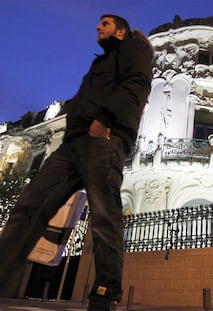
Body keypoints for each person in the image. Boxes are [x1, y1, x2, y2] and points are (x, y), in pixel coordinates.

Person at [0, 14, 153, 311]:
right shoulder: (101, 62)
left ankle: (105, 293)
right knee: (28, 207)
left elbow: (136, 85)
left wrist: (106, 120)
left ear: (120, 31)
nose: (98, 27)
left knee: (104, 217)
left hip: (104, 138)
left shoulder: (135, 48)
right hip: (71, 144)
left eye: (105, 23)